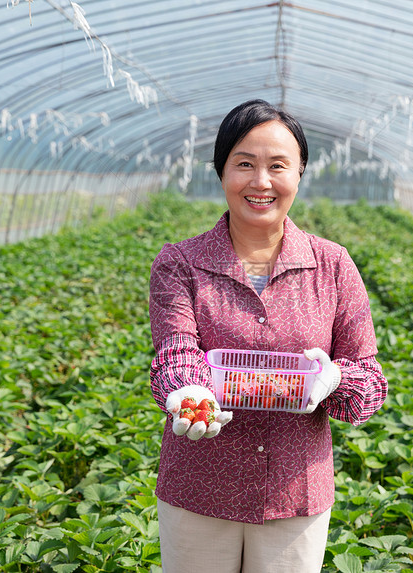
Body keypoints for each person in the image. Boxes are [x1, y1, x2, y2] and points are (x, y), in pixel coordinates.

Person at [148, 99, 388, 573]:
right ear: (221, 173)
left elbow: (369, 381)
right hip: (200, 488)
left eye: (278, 166)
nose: (261, 182)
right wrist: (189, 391)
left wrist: (335, 378)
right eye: (244, 164)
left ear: (300, 174)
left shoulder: (334, 265)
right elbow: (176, 351)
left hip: (294, 494)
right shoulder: (180, 263)